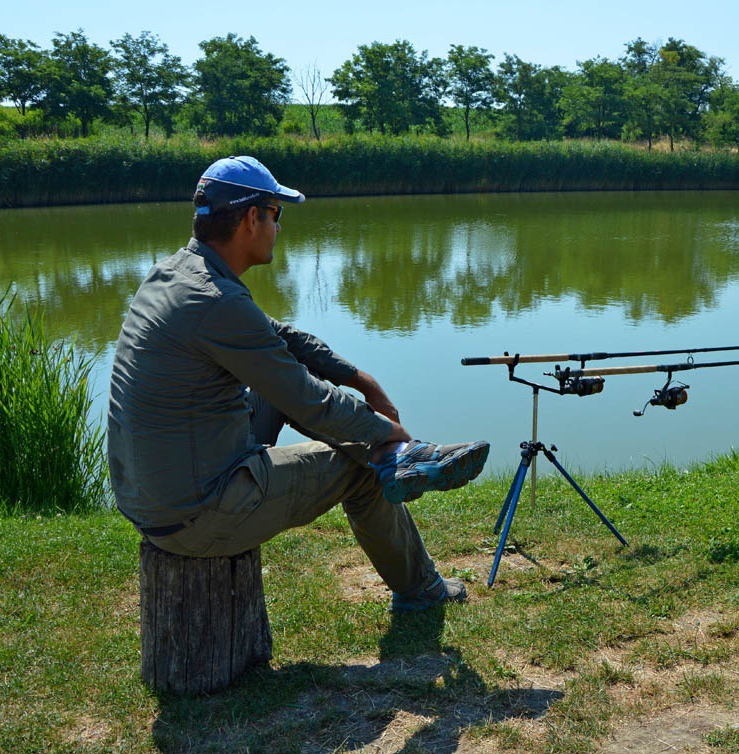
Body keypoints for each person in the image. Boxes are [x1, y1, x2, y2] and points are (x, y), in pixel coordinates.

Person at [107, 155, 488, 612]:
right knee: (361, 469)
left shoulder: (177, 274)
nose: (278, 227)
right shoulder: (216, 301)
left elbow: (283, 338)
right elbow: (308, 399)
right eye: (276, 214)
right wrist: (385, 429)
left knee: (299, 403)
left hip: (154, 495)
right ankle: (419, 578)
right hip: (193, 515)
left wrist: (359, 379)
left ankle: (402, 460)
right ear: (252, 218)